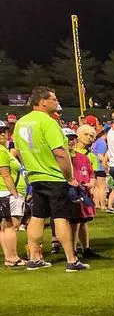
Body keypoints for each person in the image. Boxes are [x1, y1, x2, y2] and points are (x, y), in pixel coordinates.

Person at [14, 87, 88, 272]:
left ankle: (34, 258)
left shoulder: (21, 123)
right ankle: (71, 260)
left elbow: (19, 151)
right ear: (43, 101)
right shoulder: (47, 122)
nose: (57, 102)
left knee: (37, 217)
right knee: (61, 217)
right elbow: (60, 153)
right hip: (53, 176)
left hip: (35, 176)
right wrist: (70, 177)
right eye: (54, 99)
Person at [70, 125, 100, 258]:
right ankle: (71, 250)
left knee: (83, 221)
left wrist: (91, 184)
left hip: (84, 192)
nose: (89, 138)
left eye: (91, 135)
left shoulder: (87, 157)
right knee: (73, 222)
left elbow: (92, 173)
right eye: (86, 134)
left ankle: (85, 248)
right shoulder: (65, 155)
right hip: (70, 192)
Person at [0, 122, 26, 267]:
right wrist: (15, 194)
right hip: (7, 192)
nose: (3, 133)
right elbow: (5, 175)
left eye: (4, 130)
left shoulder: (4, 150)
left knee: (5, 226)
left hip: (4, 192)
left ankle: (9, 257)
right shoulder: (1, 151)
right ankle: (13, 257)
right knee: (11, 226)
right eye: (0, 132)